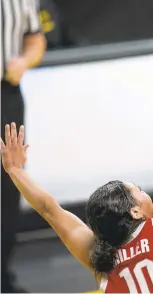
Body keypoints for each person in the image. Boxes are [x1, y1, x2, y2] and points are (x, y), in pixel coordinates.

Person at [0, 19, 153, 293]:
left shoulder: (98, 259)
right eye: (138, 191)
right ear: (135, 210)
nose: (145, 193)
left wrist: (15, 172)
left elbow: (50, 211)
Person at [1, 0, 47, 292]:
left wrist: (24, 61)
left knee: (10, 183)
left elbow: (35, 40)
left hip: (7, 93)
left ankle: (2, 275)